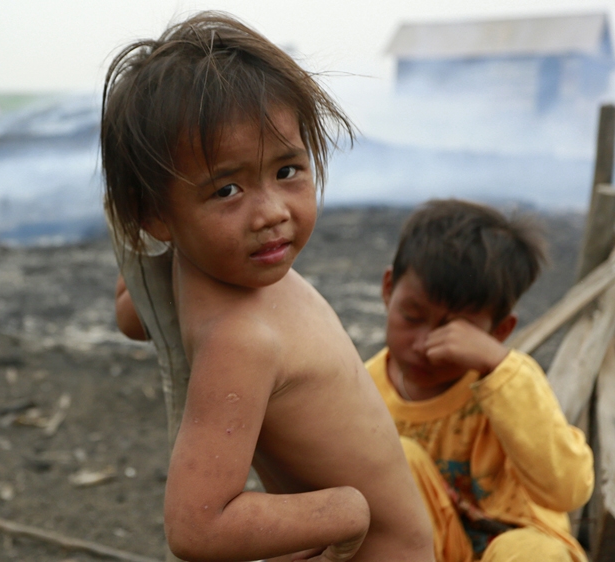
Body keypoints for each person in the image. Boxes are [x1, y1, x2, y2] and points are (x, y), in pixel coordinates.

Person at [102, 12, 434, 562]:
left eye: (287, 171)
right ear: (157, 216)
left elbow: (135, 312)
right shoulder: (232, 327)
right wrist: (346, 510)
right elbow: (195, 527)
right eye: (226, 190)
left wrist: (346, 511)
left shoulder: (212, 288)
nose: (272, 213)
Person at [367, 199, 595, 562]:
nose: (426, 345)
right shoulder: (361, 389)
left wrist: (500, 366)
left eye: (456, 331)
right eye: (412, 316)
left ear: (499, 330)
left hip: (515, 549)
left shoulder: (510, 384)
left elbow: (568, 491)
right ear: (388, 288)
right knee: (397, 457)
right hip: (423, 552)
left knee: (530, 552)